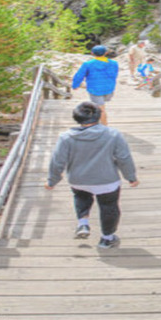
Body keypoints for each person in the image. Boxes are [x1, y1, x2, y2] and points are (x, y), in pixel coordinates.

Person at [45, 101, 139, 247]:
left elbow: (57, 161)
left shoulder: (66, 137)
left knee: (81, 197)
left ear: (76, 118)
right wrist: (131, 177)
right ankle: (107, 238)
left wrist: (52, 181)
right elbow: (123, 158)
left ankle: (83, 223)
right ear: (99, 116)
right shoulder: (113, 135)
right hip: (107, 181)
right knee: (109, 207)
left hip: (78, 180)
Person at [72, 44, 119, 125]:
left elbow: (79, 75)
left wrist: (75, 85)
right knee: (102, 105)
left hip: (95, 89)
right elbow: (115, 74)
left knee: (101, 109)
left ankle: (104, 127)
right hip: (109, 89)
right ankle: (101, 124)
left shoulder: (88, 64)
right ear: (106, 53)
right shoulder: (114, 63)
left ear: (92, 53)